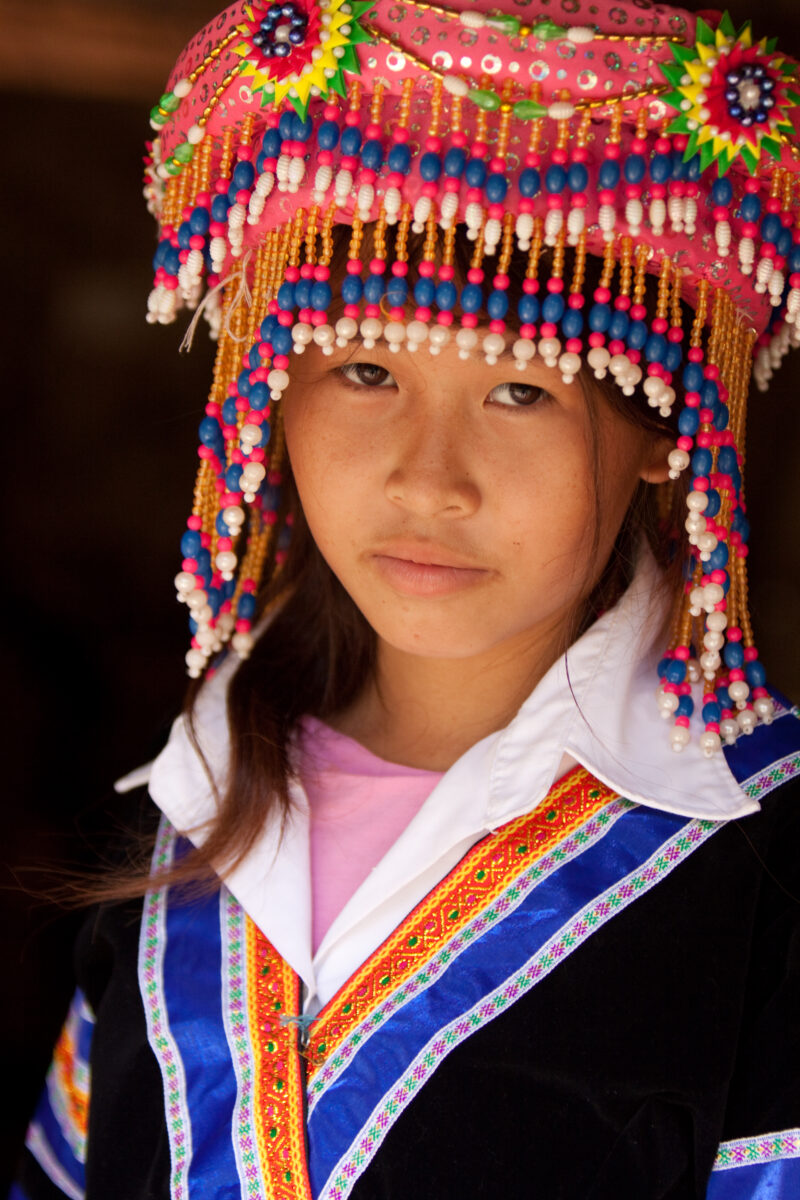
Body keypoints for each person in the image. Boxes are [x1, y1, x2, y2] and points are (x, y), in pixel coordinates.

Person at [14, 0, 800, 1196]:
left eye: (522, 393)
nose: (427, 482)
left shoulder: (769, 877)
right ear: (266, 389)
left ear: (664, 425)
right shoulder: (184, 806)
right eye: (366, 370)